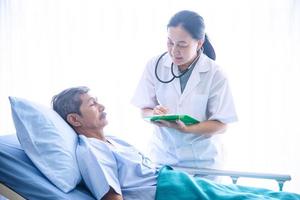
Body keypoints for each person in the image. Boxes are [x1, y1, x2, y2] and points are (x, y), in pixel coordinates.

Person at [51, 86, 300, 200]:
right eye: (92, 104)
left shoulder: (114, 140)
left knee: (250, 193)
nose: (102, 106)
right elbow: (112, 198)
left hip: (174, 179)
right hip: (168, 191)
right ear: (75, 119)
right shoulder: (90, 151)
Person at [131, 10, 238, 171]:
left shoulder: (215, 74)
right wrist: (155, 114)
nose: (174, 51)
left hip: (203, 163)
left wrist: (187, 129)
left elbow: (221, 125)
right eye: (170, 42)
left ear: (199, 43)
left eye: (182, 45)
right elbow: (144, 109)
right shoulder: (155, 65)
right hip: (163, 158)